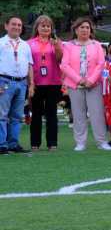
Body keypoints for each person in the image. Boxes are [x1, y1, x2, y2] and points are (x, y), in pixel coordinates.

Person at [60, 17, 111, 151]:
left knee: (97, 113)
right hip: (75, 85)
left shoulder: (96, 45)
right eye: (81, 27)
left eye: (87, 27)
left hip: (94, 85)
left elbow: (101, 64)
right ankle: (80, 142)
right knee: (78, 114)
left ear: (90, 30)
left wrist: (91, 80)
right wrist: (79, 80)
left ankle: (101, 142)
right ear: (76, 30)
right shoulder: (68, 46)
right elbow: (64, 65)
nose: (84, 30)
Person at [27, 15, 63, 151]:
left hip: (53, 82)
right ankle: (35, 143)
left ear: (51, 28)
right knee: (36, 114)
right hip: (35, 82)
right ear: (37, 27)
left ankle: (52, 143)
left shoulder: (56, 42)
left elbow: (61, 60)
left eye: (48, 26)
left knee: (51, 114)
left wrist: (57, 47)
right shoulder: (29, 43)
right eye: (43, 25)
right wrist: (29, 82)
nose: (46, 28)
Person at [0, 15, 34, 155]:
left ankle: (13, 143)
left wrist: (31, 84)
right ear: (6, 26)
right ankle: (2, 144)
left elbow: (30, 65)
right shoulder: (1, 43)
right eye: (13, 24)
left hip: (22, 83)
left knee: (17, 116)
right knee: (2, 115)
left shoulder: (25, 45)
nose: (17, 27)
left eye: (19, 25)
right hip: (4, 81)